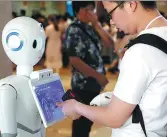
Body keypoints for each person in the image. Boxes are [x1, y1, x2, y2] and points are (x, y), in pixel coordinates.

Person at [57, 1, 167, 137]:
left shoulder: (140, 51)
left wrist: (76, 107)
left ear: (131, 5)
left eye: (111, 13)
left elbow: (114, 118)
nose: (112, 22)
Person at [64, 1, 114, 137]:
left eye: (93, 9)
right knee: (81, 125)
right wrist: (98, 76)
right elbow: (75, 60)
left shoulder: (89, 27)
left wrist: (97, 25)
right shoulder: (74, 29)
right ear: (80, 11)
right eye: (90, 9)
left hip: (92, 85)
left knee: (86, 123)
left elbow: (110, 43)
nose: (93, 13)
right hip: (83, 85)